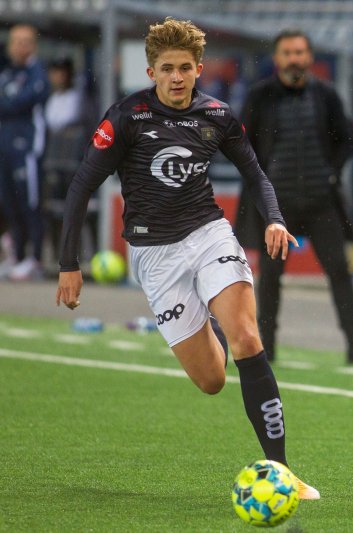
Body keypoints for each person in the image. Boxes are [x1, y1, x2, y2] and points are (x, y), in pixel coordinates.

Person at [55, 17, 319, 500]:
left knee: (246, 337)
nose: (177, 77)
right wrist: (68, 264)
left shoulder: (217, 116)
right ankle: (209, 319)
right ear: (152, 71)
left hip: (208, 234)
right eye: (167, 69)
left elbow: (255, 173)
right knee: (212, 380)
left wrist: (275, 218)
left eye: (185, 68)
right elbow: (81, 186)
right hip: (155, 256)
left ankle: (282, 472)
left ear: (199, 69)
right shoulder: (126, 117)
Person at [235, 28, 353, 365]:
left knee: (340, 273)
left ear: (310, 58)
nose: (294, 59)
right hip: (276, 207)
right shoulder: (260, 96)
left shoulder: (326, 94)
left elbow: (347, 138)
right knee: (270, 278)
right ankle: (266, 347)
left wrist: (330, 172)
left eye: (299, 52)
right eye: (287, 53)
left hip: (321, 201)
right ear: (276, 59)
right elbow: (242, 144)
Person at [0, 24, 50, 280]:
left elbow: (21, 101)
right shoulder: (8, 72)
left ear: (33, 45)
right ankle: (18, 257)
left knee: (29, 202)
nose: (19, 46)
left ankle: (36, 259)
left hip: (28, 148)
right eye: (15, 41)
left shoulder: (37, 72)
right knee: (10, 202)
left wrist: (9, 102)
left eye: (25, 41)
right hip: (5, 148)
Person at [43, 57, 97, 267]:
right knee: (55, 210)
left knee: (81, 210)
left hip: (76, 163)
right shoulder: (50, 99)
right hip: (55, 164)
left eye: (61, 72)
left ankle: (85, 256)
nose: (57, 77)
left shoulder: (80, 99)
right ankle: (59, 256)